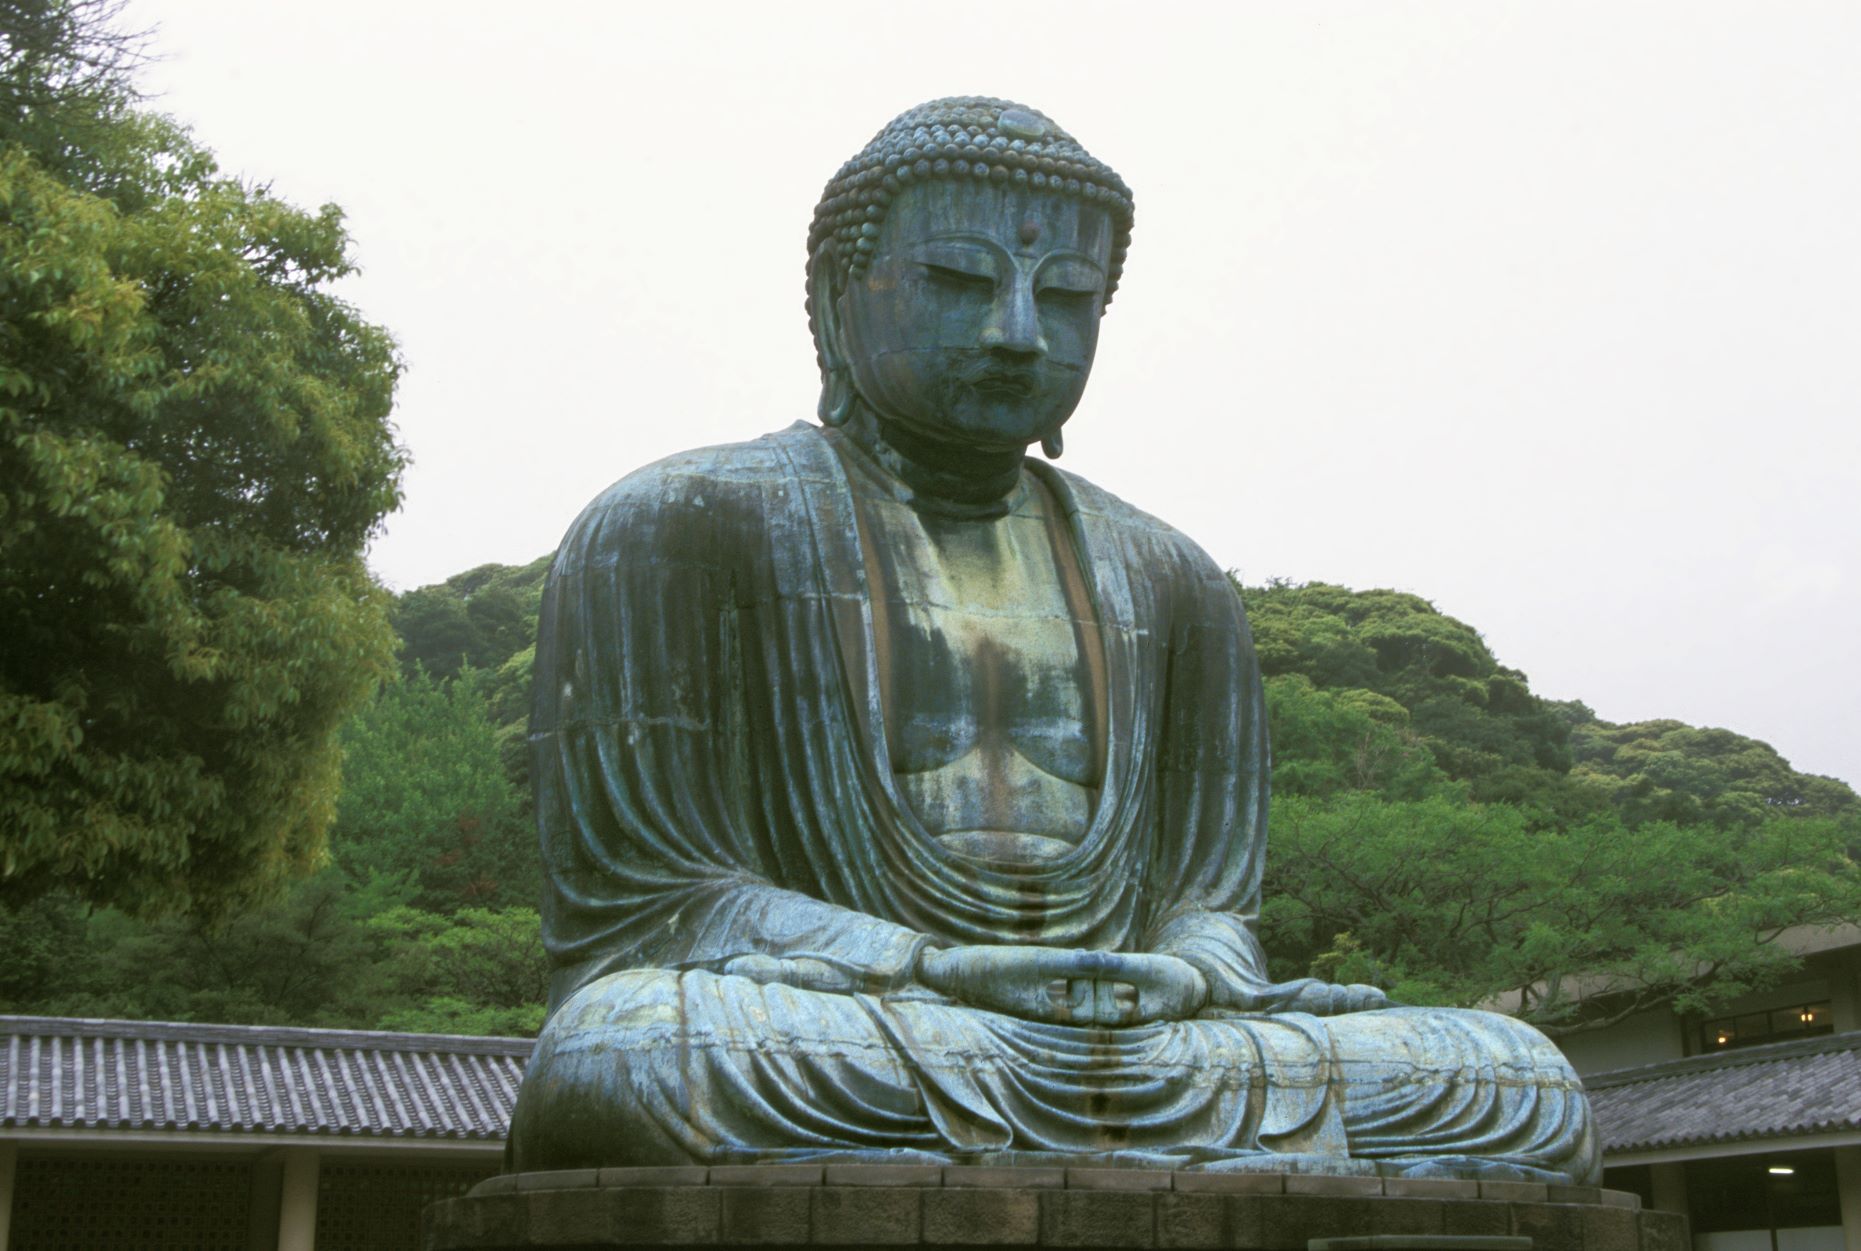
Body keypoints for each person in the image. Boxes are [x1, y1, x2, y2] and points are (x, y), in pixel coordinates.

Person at [505, 97, 1599, 1182]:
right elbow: (657, 908)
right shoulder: (675, 528)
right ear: (842, 299)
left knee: (1521, 1081)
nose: (1017, 332)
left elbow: (1209, 907)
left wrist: (1181, 973)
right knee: (630, 1050)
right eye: (958, 281)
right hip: (852, 1021)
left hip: (1136, 1041)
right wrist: (928, 962)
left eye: (1067, 295)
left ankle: (1077, 1126)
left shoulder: (1173, 579)